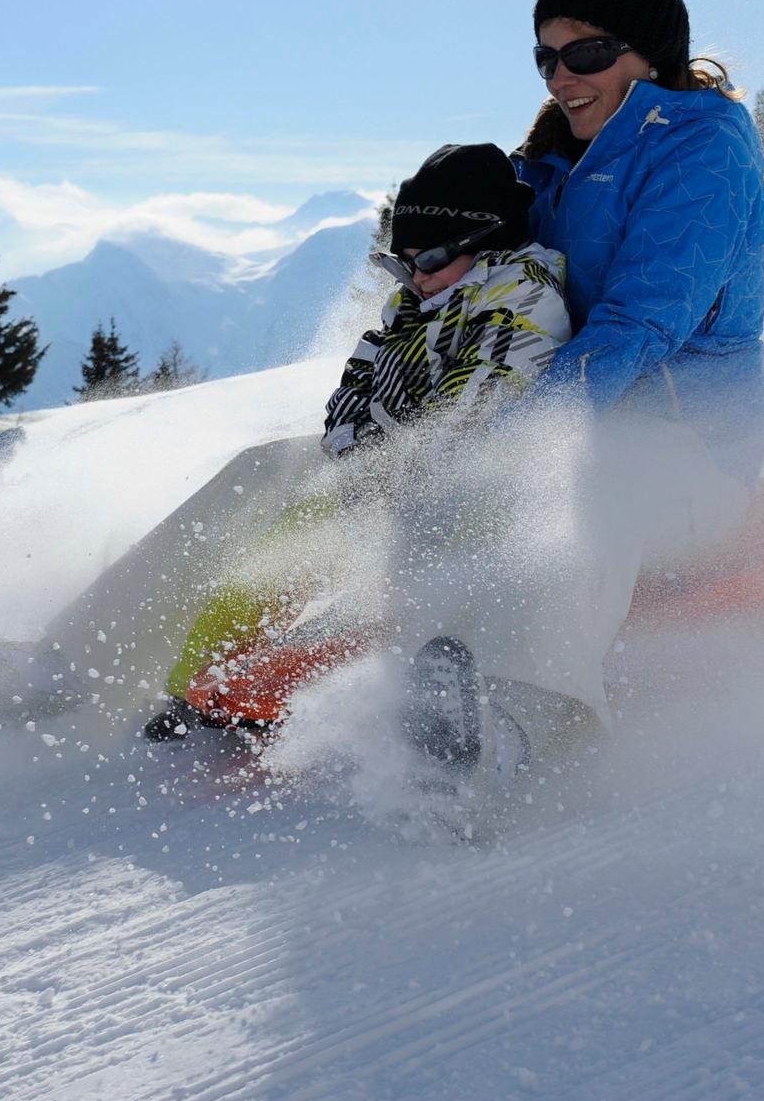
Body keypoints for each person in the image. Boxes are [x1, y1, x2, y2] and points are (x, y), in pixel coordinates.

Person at [399, 0, 764, 791]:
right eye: (546, 57)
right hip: (543, 429)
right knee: (295, 471)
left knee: (588, 475)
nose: (562, 76)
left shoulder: (704, 152)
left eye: (588, 53)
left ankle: (529, 731)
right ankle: (82, 665)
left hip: (687, 457)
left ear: (651, 53)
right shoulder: (549, 168)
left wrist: (518, 438)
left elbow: (641, 320)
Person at [144, 143, 571, 739]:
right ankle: (197, 688)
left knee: (404, 589)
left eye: (433, 259)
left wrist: (390, 464)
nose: (416, 277)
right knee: (276, 558)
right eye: (404, 263)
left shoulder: (525, 296)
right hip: (380, 481)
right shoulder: (413, 303)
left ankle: (427, 707)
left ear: (489, 241)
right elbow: (354, 386)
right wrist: (357, 455)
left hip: (481, 490)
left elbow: (475, 403)